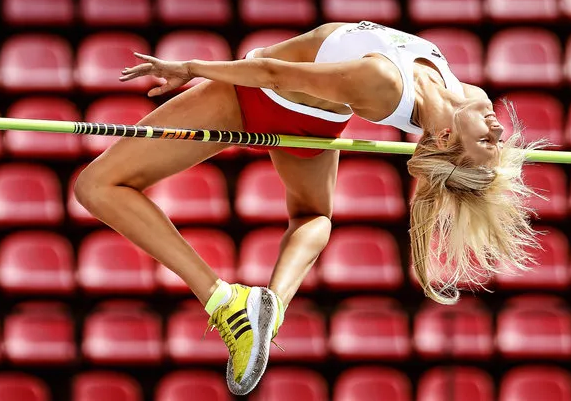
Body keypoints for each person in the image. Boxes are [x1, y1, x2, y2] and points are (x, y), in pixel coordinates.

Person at [74, 21, 544, 395]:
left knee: (96, 186)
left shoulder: (382, 83)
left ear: (443, 139)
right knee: (313, 215)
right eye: (496, 138)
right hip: (315, 123)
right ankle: (270, 308)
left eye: (486, 140)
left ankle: (222, 301)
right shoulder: (471, 98)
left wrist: (193, 68)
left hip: (250, 96)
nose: (497, 130)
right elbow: (440, 163)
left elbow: (273, 73)